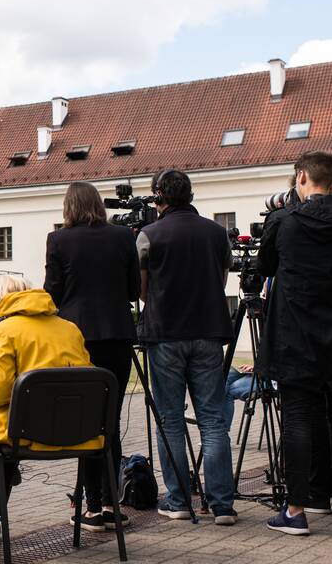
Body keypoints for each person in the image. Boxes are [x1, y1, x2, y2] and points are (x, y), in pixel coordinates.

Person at [257, 151, 332, 536]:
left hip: (297, 337)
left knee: (299, 419)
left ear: (302, 177)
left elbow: (265, 267)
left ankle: (296, 510)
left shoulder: (284, 222)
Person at [0, 275, 99, 544]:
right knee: (0, 440)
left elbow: (0, 393)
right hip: (79, 432)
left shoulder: (6, 330)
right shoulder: (70, 328)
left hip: (27, 433)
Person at [138, 169, 237, 524]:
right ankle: (222, 504)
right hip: (209, 331)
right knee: (213, 421)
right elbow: (223, 278)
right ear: (191, 195)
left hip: (165, 334)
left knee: (170, 419)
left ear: (159, 196)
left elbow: (143, 289)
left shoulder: (149, 235)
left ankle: (178, 500)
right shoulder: (216, 233)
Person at [45, 182, 139, 533]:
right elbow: (133, 290)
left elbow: (51, 292)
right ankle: (111, 503)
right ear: (99, 204)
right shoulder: (123, 236)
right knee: (110, 422)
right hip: (117, 335)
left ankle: (92, 507)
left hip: (77, 338)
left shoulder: (59, 240)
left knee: (87, 423)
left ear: (69, 207)